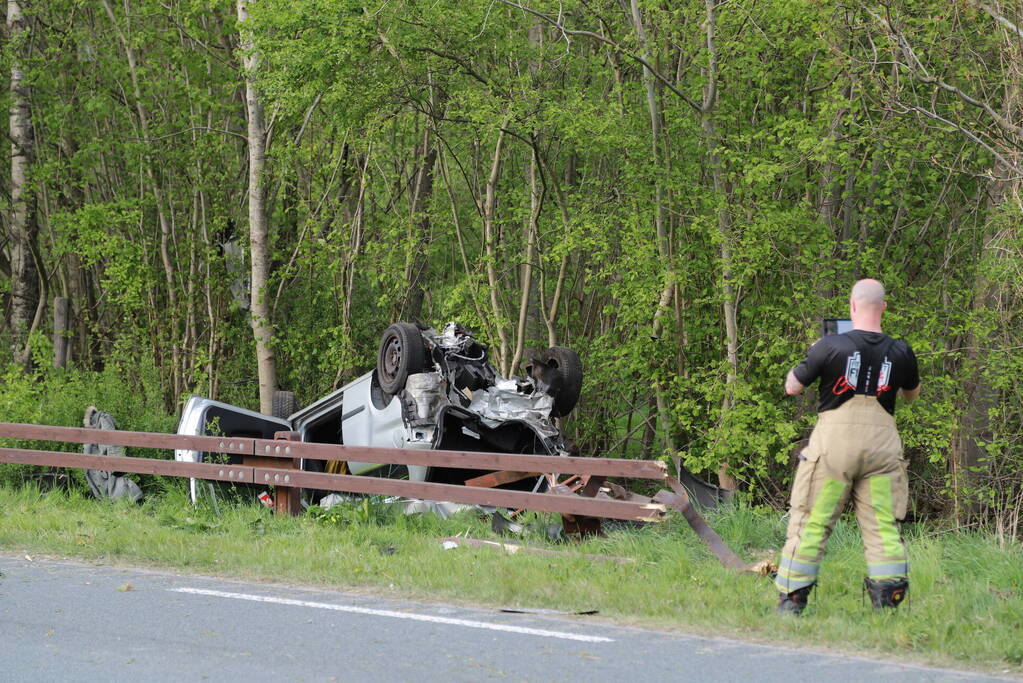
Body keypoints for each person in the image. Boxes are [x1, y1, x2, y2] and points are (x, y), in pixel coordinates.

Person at [776, 279, 920, 615]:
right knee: (883, 525)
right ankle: (888, 606)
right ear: (883, 307)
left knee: (812, 520)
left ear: (852, 306)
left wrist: (813, 352)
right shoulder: (902, 351)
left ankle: (792, 603)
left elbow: (792, 387)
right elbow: (911, 396)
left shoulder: (829, 346)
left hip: (835, 449)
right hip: (882, 448)